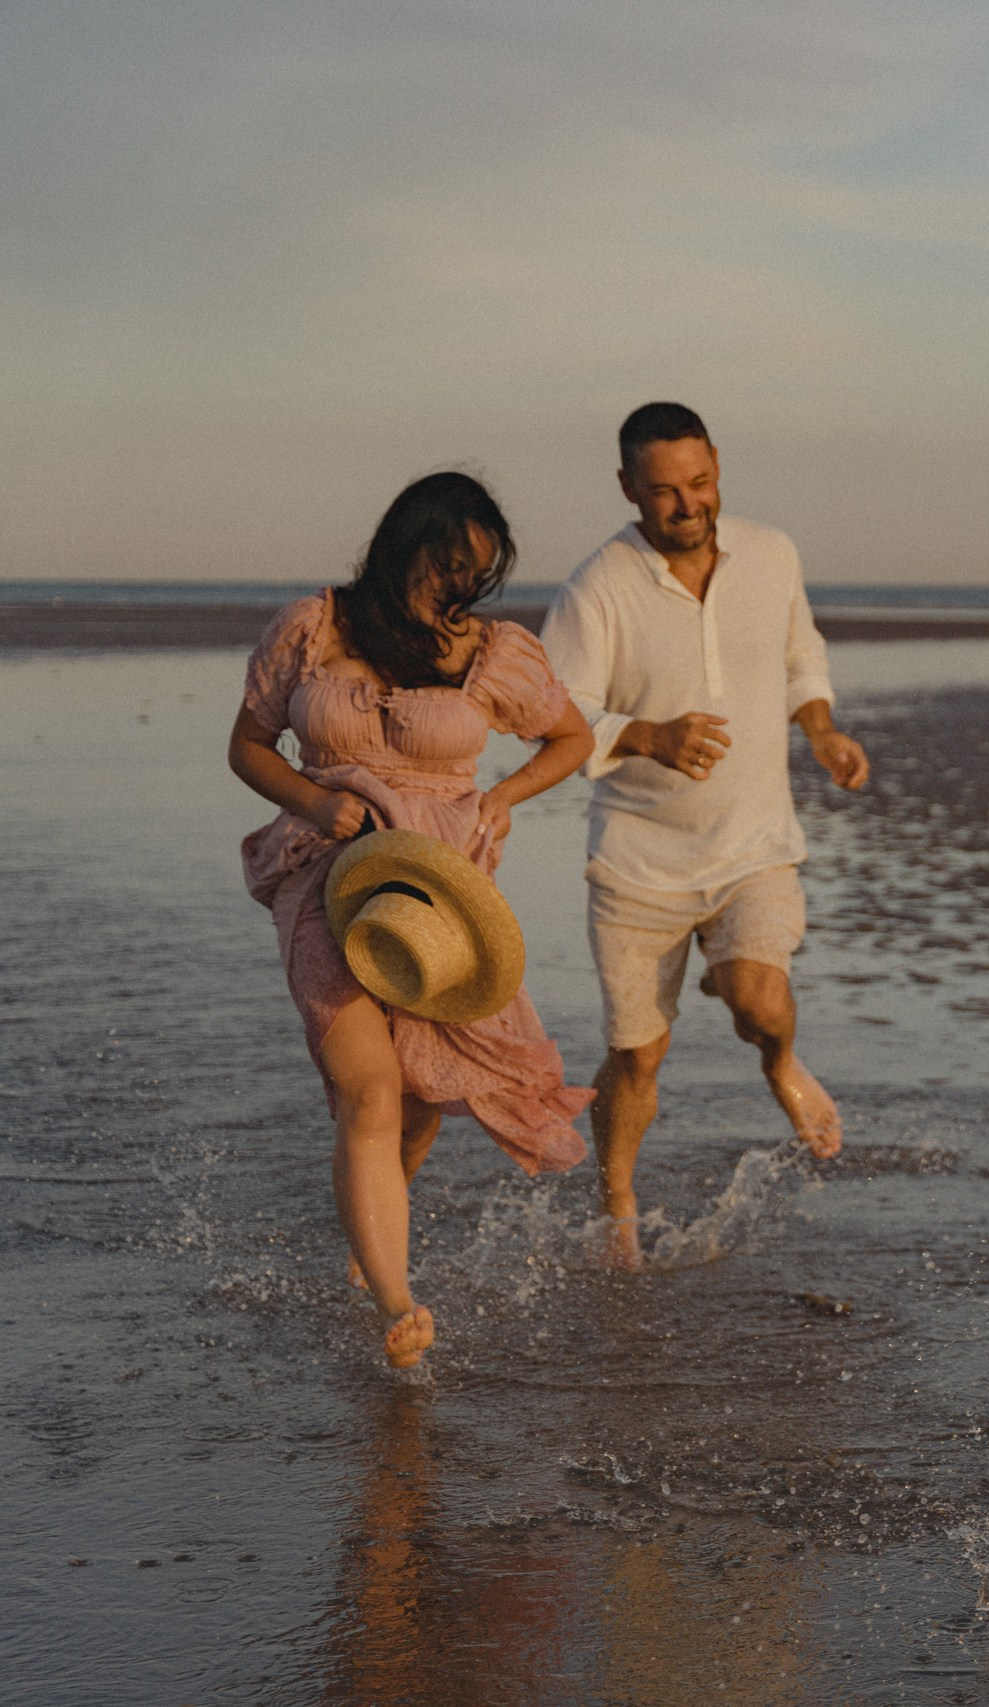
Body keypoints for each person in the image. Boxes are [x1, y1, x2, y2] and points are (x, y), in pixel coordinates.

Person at [230, 471, 597, 1369]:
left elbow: (573, 737)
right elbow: (246, 745)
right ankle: (397, 1300)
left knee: (425, 1095)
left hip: (441, 893)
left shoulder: (490, 650)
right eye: (446, 566)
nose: (457, 589)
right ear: (403, 544)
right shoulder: (313, 628)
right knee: (370, 1088)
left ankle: (373, 1222)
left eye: (475, 573)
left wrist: (504, 797)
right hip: (329, 875)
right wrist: (314, 807)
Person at [541, 402, 870, 1263]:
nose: (687, 505)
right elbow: (553, 714)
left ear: (718, 466)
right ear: (627, 489)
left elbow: (803, 655)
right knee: (639, 1060)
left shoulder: (773, 553)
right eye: (664, 493)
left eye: (700, 484)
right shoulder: (596, 586)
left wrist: (824, 732)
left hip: (753, 844)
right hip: (638, 864)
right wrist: (649, 734)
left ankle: (782, 1068)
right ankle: (617, 1203)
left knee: (759, 999)